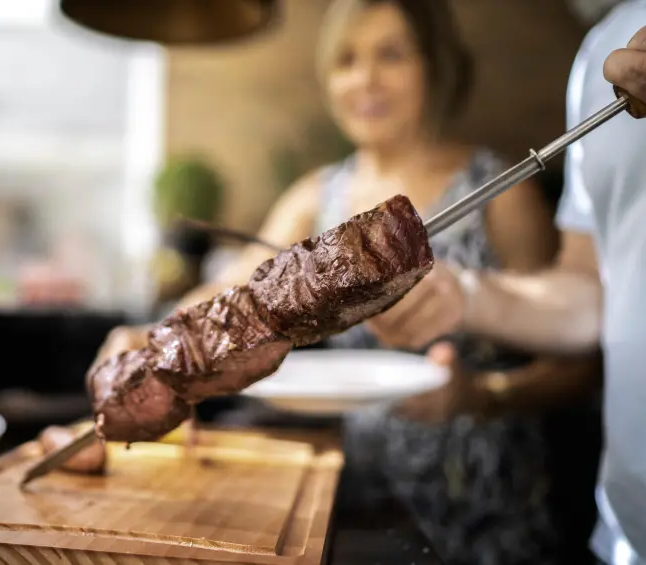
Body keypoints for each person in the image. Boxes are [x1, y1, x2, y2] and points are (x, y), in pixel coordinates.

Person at [87, 1, 601, 564]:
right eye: (347, 60)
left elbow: (578, 365)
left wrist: (481, 395)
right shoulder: (315, 198)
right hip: (349, 507)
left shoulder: (499, 193)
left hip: (487, 515)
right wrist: (152, 336)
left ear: (436, 65)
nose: (365, 80)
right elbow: (231, 296)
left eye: (391, 54)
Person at [364, 3, 646, 564]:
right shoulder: (601, 51)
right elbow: (593, 294)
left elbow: (572, 376)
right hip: (626, 535)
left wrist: (483, 396)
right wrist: (466, 295)